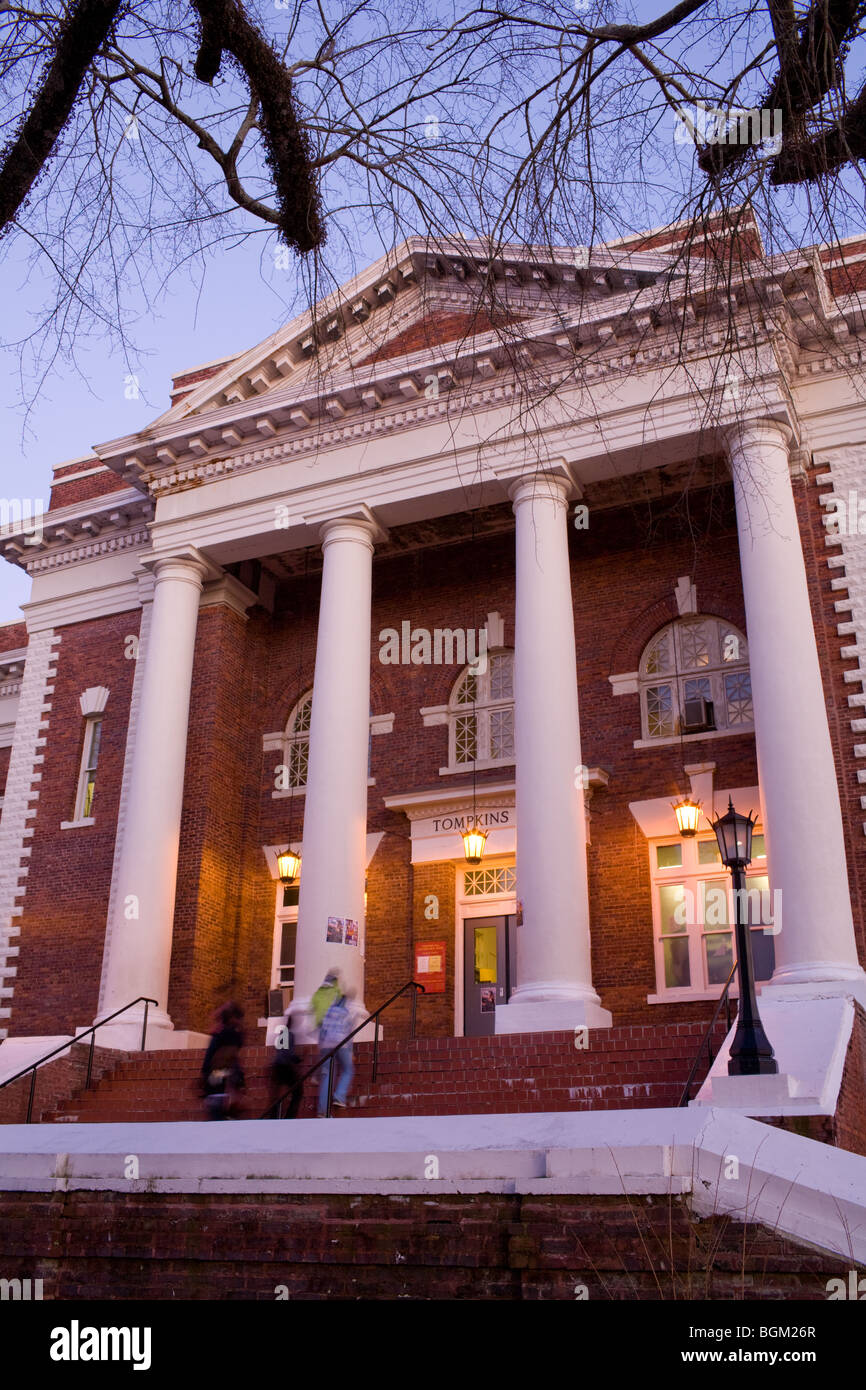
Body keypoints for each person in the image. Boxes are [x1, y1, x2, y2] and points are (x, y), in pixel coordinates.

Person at [199, 1001, 245, 1120]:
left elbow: (213, 1055)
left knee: (217, 1108)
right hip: (220, 1076)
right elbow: (213, 1056)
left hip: (219, 1077)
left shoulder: (221, 1033)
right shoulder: (230, 1035)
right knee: (217, 1107)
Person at [317, 988, 356, 1116]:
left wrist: (321, 1047)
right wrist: (351, 1052)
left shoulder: (329, 1011)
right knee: (347, 1070)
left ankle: (322, 1111)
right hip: (342, 1044)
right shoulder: (348, 1012)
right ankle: (339, 1096)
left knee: (327, 1076)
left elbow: (322, 1030)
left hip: (326, 1045)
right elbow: (350, 1033)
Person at [269, 1005, 303, 1119]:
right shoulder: (290, 1035)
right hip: (285, 1066)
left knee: (277, 1093)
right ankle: (289, 1117)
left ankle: (274, 1116)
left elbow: (280, 1049)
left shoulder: (281, 1033)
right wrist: (298, 1059)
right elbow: (287, 1053)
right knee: (298, 1091)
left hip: (277, 1065)